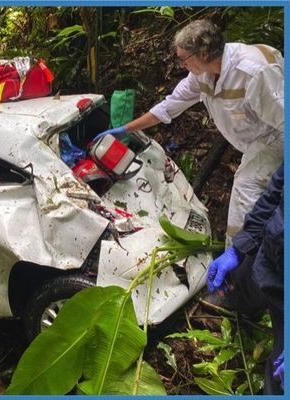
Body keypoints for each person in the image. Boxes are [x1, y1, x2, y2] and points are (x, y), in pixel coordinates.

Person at [96, 20, 284, 245]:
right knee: (266, 198)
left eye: (184, 58)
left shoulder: (253, 73)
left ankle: (236, 261)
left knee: (245, 191)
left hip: (275, 136)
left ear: (203, 53)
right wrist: (126, 129)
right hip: (255, 141)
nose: (181, 64)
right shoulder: (203, 74)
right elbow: (170, 106)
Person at [206, 163, 284, 394]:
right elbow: (276, 191)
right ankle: (237, 302)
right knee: (245, 282)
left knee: (278, 379)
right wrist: (241, 245)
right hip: (271, 255)